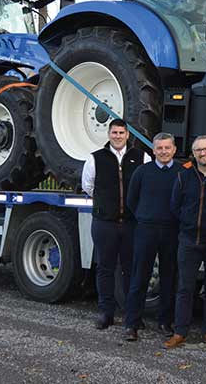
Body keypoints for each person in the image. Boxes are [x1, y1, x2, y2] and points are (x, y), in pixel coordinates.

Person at [81, 119, 147, 331]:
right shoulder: (95, 159)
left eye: (121, 132)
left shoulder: (141, 157)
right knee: (105, 268)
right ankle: (106, 313)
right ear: (109, 134)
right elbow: (88, 187)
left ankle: (132, 315)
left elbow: (145, 185)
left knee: (130, 270)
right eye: (114, 132)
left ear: (128, 135)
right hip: (104, 224)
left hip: (131, 224)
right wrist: (106, 205)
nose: (118, 136)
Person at [164, 135, 206, 349]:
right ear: (194, 154)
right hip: (188, 240)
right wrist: (187, 223)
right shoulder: (184, 176)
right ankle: (180, 332)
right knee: (184, 287)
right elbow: (174, 206)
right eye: (198, 150)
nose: (203, 153)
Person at [122, 133, 181, 341]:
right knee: (140, 277)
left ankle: (164, 322)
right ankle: (132, 323)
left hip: (171, 231)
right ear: (153, 150)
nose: (164, 151)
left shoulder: (181, 173)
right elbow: (131, 199)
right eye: (160, 148)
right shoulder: (142, 171)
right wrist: (144, 216)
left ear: (174, 149)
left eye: (167, 147)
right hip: (146, 230)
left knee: (168, 278)